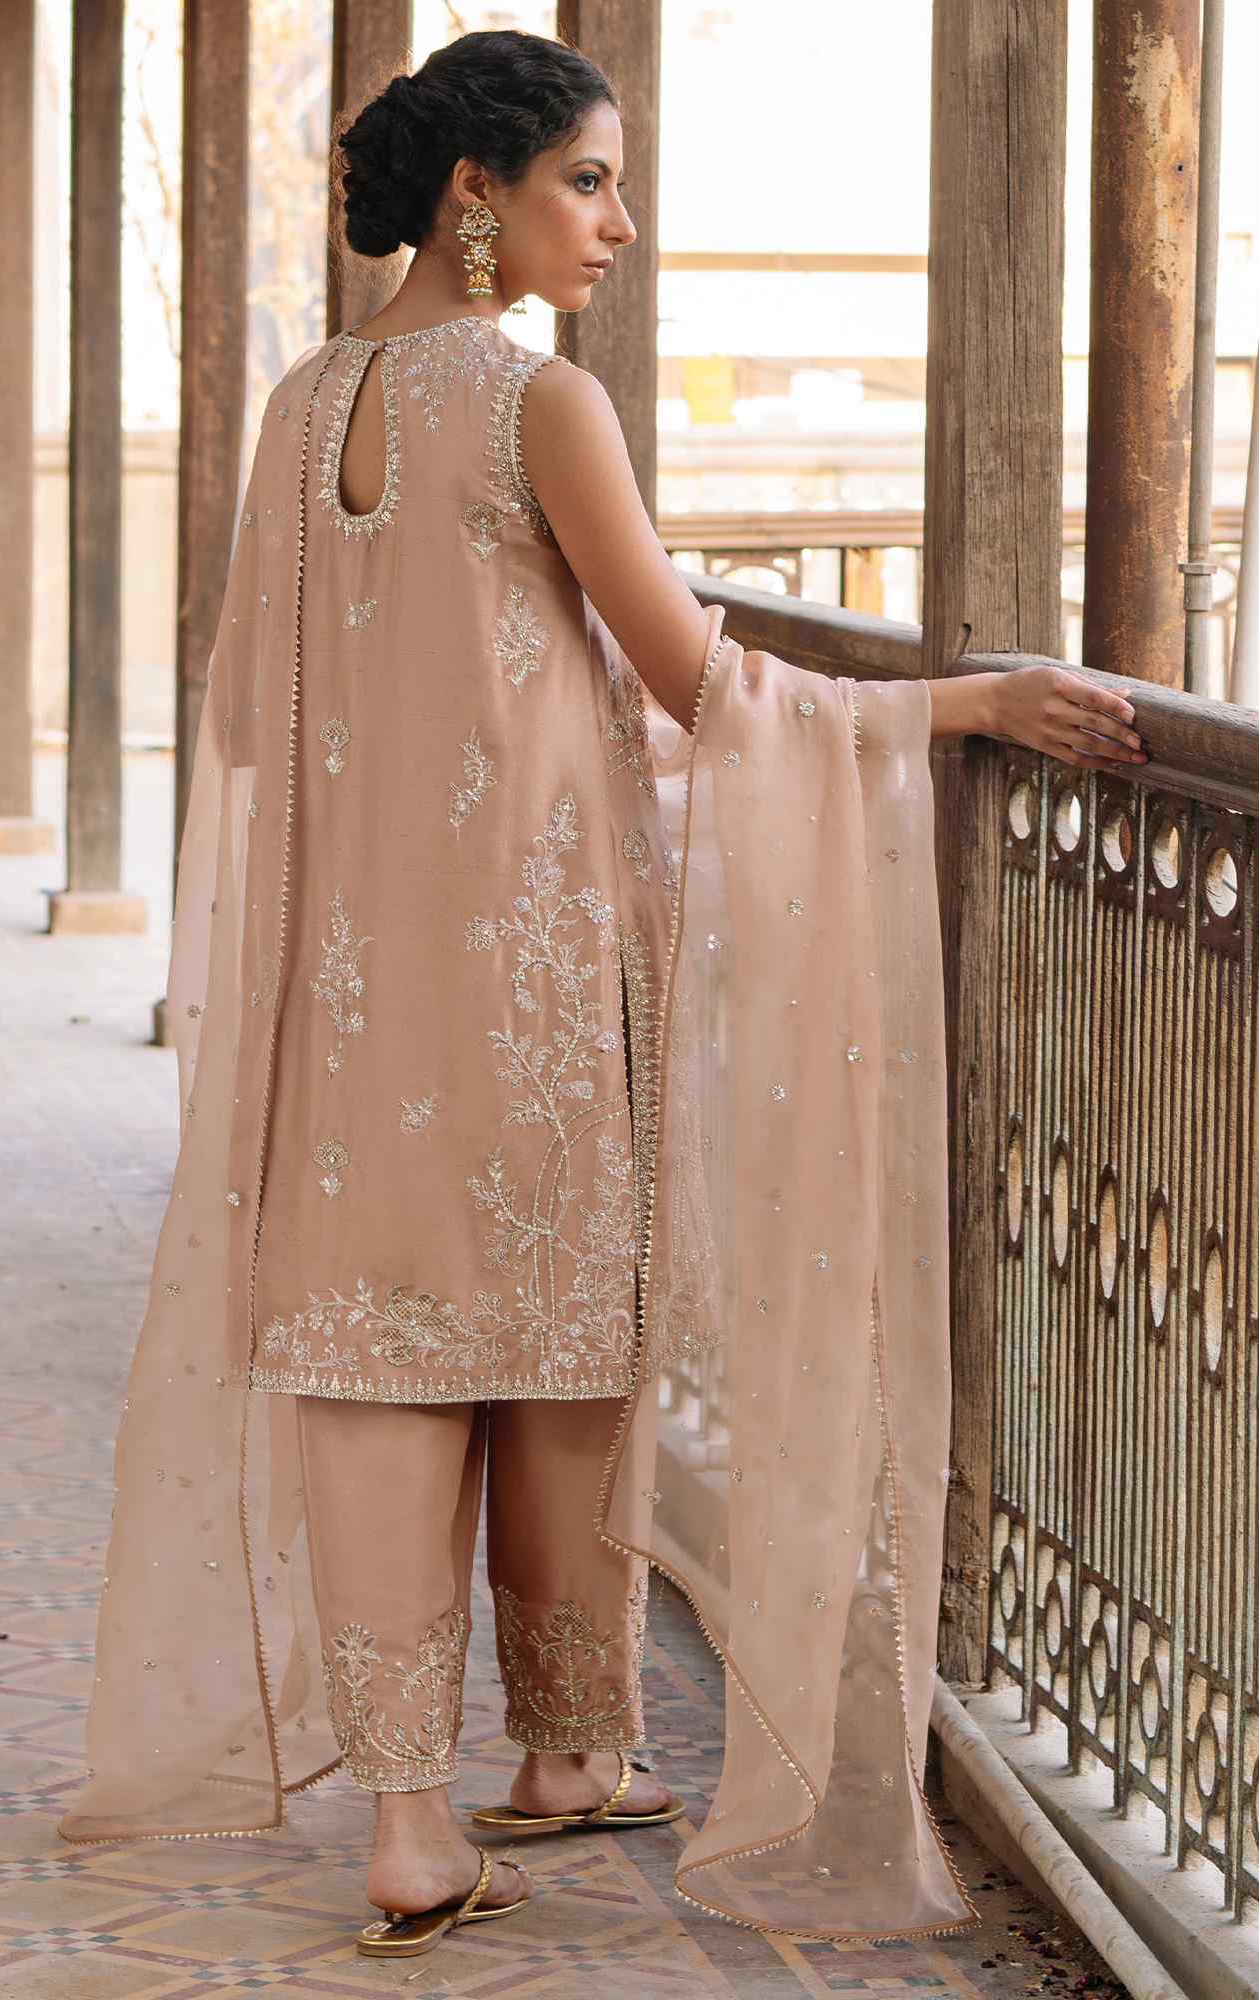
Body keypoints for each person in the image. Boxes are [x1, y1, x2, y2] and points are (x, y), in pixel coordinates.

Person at [56, 27, 1148, 1963]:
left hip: (347, 975)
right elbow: (702, 685)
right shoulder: (536, 401)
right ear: (477, 194)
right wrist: (970, 699)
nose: (619, 224)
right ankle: (555, 1748)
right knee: (557, 1339)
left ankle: (439, 1807)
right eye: (590, 180)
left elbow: (249, 721)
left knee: (377, 1350)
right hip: (530, 964)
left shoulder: (305, 402)